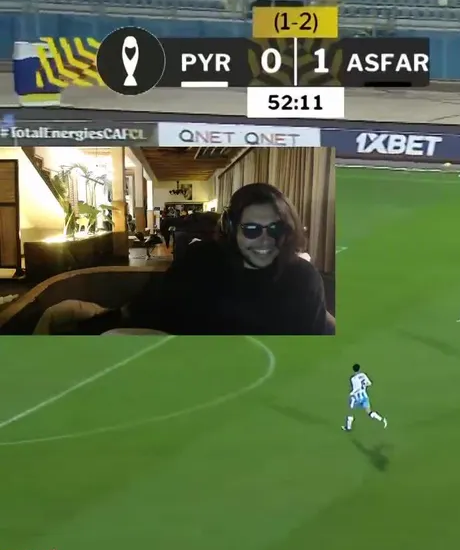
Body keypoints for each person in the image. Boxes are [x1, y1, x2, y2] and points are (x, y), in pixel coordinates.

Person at [73, 183, 330, 335]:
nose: (265, 241)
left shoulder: (303, 279)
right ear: (230, 228)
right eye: (251, 230)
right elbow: (150, 307)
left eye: (275, 229)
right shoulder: (201, 261)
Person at [344, 363, 387, 431]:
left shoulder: (353, 379)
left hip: (357, 398)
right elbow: (369, 383)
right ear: (359, 369)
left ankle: (348, 427)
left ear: (353, 370)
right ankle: (382, 420)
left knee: (350, 412)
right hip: (365, 396)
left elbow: (356, 388)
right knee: (369, 412)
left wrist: (351, 393)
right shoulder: (363, 375)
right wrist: (364, 386)